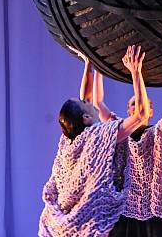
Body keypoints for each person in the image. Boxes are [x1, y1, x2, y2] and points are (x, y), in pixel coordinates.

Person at [68, 49, 162, 236]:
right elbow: (97, 103)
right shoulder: (119, 129)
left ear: (151, 111)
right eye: (133, 103)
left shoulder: (160, 133)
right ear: (129, 110)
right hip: (125, 210)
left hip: (155, 211)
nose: (139, 104)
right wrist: (99, 64)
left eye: (144, 103)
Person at [39, 45, 151, 237]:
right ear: (86, 118)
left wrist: (90, 62)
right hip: (97, 220)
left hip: (67, 224)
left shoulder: (69, 141)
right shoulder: (100, 136)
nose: (87, 101)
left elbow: (88, 96)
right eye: (85, 104)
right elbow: (141, 114)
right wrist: (135, 71)